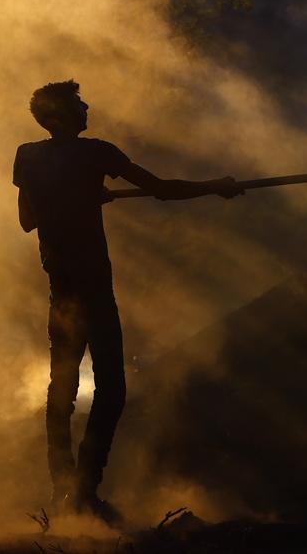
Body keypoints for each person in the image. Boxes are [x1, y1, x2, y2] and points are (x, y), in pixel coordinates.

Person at [13, 80, 242, 526]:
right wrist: (217, 185)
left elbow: (27, 221)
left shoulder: (28, 155)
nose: (86, 107)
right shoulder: (96, 152)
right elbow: (163, 189)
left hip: (61, 291)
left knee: (61, 391)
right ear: (61, 114)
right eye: (78, 104)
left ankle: (64, 491)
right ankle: (84, 490)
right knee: (111, 388)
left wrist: (76, 198)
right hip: (94, 290)